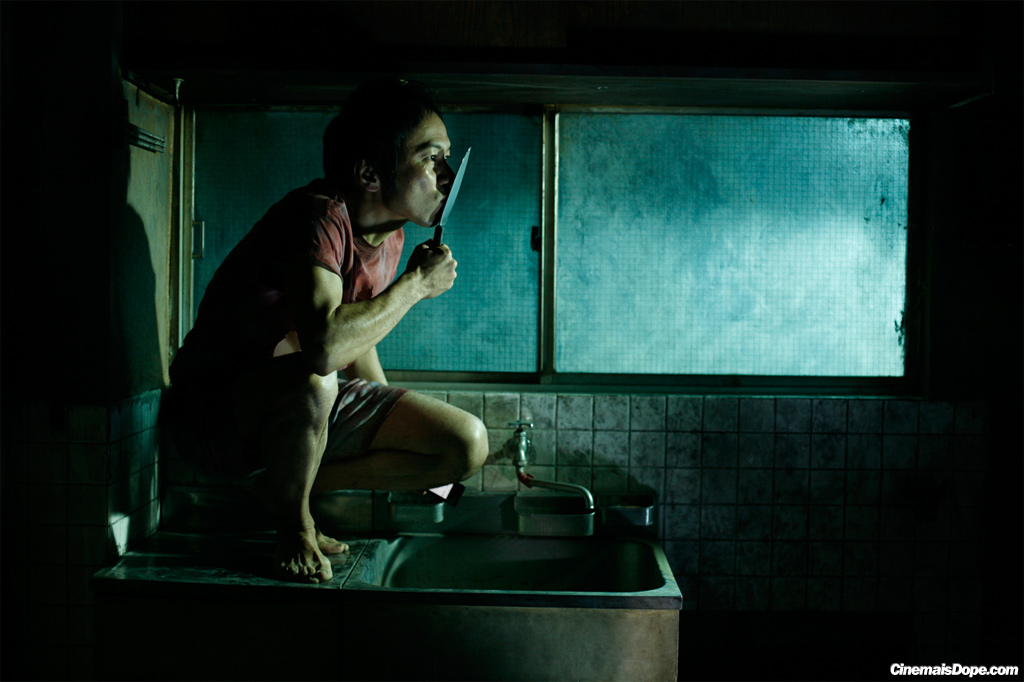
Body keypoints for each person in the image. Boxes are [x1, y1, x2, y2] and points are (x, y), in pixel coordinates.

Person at [162, 78, 488, 584]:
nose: (446, 175)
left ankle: (284, 490)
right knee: (318, 378)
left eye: (446, 158)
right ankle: (295, 527)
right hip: (216, 416)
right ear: (369, 173)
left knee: (465, 443)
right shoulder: (317, 218)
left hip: (303, 412)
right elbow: (325, 349)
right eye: (431, 158)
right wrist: (416, 286)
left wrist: (405, 444)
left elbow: (357, 340)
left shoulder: (392, 236)